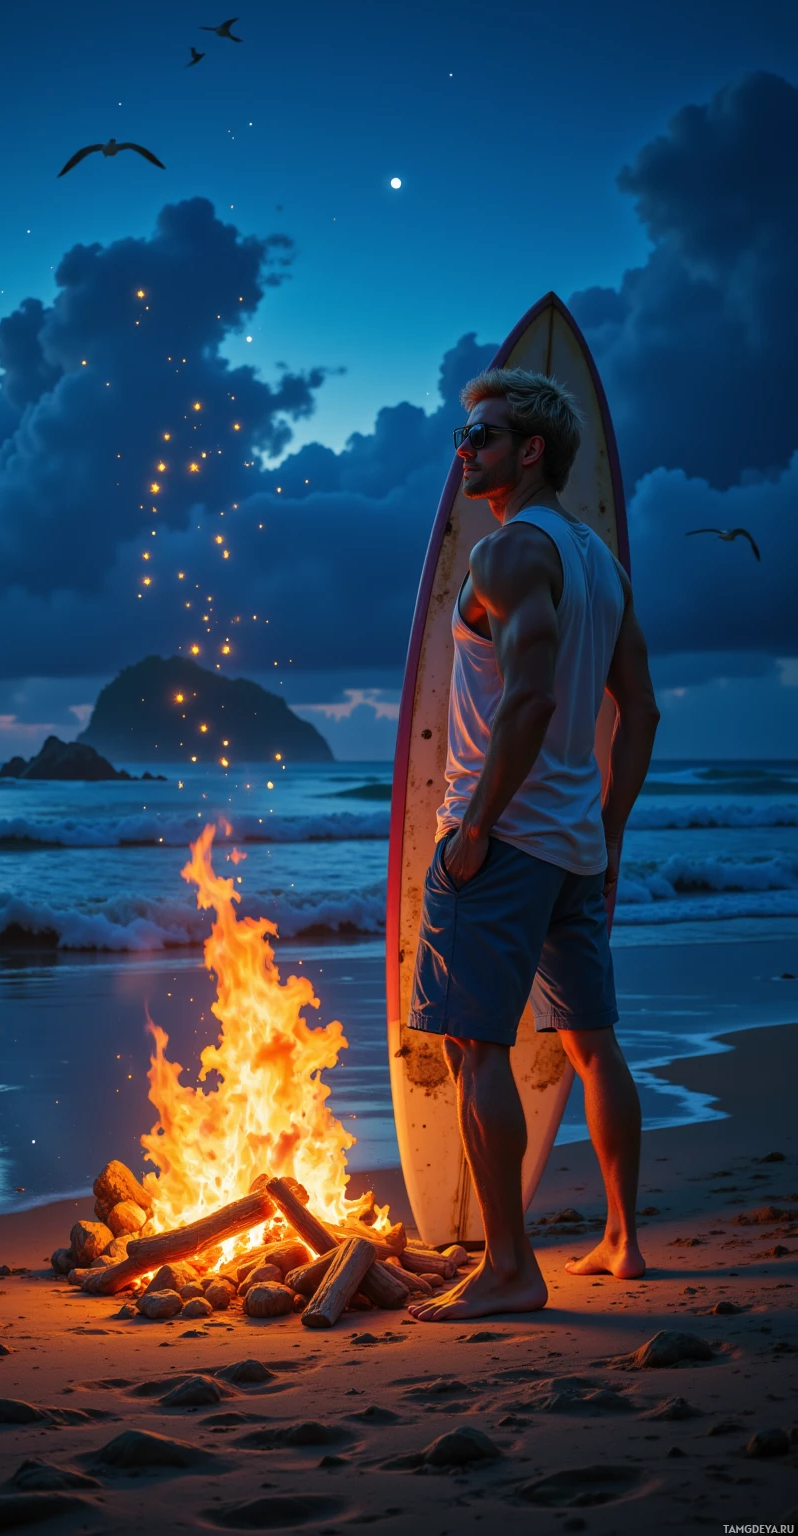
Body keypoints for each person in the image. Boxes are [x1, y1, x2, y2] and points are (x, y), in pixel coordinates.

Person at [406, 367, 660, 1323]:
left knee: (478, 1049)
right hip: (572, 849)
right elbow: (640, 710)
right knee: (594, 1046)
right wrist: (609, 829)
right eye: (464, 435)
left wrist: (474, 825)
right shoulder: (601, 562)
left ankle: (511, 1267)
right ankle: (624, 1240)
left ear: (532, 451)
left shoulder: (510, 554)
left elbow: (532, 694)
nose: (463, 451)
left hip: (503, 837)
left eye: (481, 436)